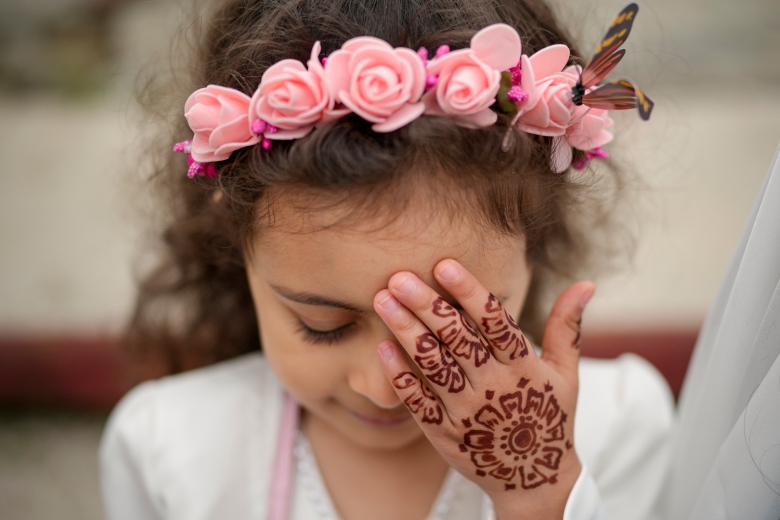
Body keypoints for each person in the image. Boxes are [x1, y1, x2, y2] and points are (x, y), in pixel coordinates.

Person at [100, 1, 674, 518]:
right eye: (322, 328)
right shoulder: (166, 449)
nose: (385, 386)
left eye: (450, 328)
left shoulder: (617, 428)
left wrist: (540, 495)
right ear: (235, 236)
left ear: (540, 240)